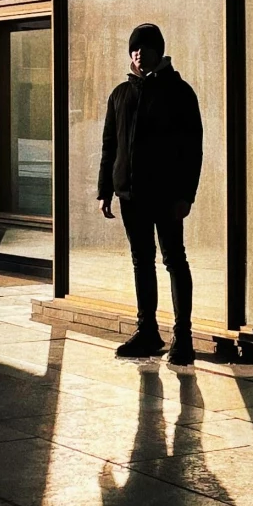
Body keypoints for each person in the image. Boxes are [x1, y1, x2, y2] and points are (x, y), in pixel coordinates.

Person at [97, 22, 202, 365]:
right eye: (134, 48)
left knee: (174, 260)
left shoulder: (179, 92)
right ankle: (148, 332)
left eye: (145, 48)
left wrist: (187, 194)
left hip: (167, 196)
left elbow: (192, 148)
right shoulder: (120, 94)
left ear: (159, 51)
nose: (139, 53)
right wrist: (105, 190)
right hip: (131, 195)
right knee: (142, 261)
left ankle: (183, 337)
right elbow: (109, 145)